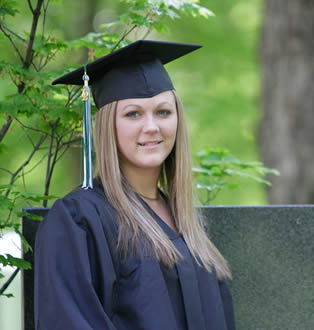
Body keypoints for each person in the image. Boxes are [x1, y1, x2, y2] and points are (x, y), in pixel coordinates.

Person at [34, 40, 236, 330]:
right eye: (133, 114)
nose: (151, 126)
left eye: (163, 112)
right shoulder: (79, 221)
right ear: (107, 125)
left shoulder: (188, 222)